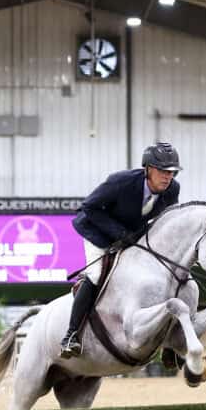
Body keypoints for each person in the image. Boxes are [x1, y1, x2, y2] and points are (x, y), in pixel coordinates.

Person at [60, 142, 182, 358]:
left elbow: (168, 221)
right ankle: (71, 336)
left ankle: (169, 341)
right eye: (163, 171)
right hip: (97, 230)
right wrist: (120, 234)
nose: (168, 177)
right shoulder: (122, 182)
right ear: (148, 169)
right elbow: (89, 207)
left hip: (131, 235)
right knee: (96, 275)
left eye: (172, 172)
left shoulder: (172, 189)